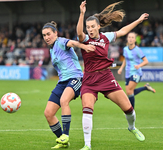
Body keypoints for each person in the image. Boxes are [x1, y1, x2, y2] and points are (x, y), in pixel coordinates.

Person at [76, 1, 148, 150]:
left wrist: (139, 20)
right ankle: (87, 145)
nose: (89, 29)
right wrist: (82, 13)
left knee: (128, 109)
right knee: (87, 108)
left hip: (106, 77)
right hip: (89, 79)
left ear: (98, 27)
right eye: (88, 27)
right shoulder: (84, 39)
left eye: (92, 27)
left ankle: (132, 127)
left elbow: (122, 31)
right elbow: (78, 33)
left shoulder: (106, 37)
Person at [42, 21, 95, 149]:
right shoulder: (52, 49)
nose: (46, 37)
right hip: (62, 81)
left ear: (55, 33)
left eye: (48, 34)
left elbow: (72, 43)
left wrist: (84, 47)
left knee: (64, 100)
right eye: (44, 35)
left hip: (76, 78)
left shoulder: (61, 41)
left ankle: (66, 134)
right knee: (48, 113)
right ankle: (62, 140)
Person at [118, 32, 156, 109]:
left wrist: (139, 65)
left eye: (132, 37)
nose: (130, 39)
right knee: (129, 92)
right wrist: (121, 68)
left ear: (135, 40)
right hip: (128, 72)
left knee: (129, 92)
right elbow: (125, 59)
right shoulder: (125, 49)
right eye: (129, 37)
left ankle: (131, 110)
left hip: (136, 72)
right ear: (127, 39)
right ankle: (146, 87)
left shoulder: (137, 50)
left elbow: (146, 61)